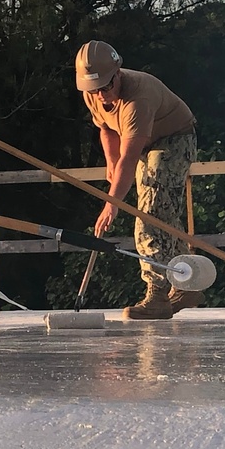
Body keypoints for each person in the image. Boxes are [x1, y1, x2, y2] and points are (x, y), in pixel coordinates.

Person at [75, 40, 200, 319]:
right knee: (163, 212)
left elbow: (129, 159)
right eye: (94, 90)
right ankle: (189, 283)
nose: (102, 95)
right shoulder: (93, 93)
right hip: (145, 141)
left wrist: (111, 204)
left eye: (107, 87)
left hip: (173, 139)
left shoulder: (137, 99)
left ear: (117, 74)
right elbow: (106, 129)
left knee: (151, 211)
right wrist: (110, 162)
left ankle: (157, 294)